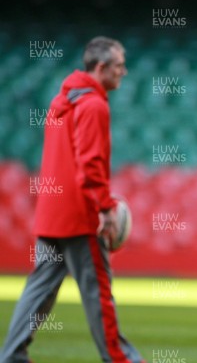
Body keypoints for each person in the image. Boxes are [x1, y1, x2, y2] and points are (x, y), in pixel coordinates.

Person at [0, 37, 144, 363]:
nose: (124, 71)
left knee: (38, 290)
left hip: (51, 214)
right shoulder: (94, 105)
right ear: (102, 67)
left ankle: (11, 355)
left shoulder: (59, 101)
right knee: (99, 294)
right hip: (80, 215)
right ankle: (121, 359)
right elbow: (90, 164)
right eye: (120, 65)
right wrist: (105, 207)